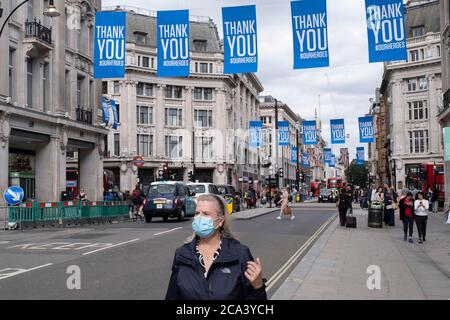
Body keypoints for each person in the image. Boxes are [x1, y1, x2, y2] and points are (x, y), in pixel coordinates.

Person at [165, 194, 267, 300]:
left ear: (220, 221)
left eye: (205, 214)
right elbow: (172, 296)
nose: (199, 218)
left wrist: (258, 287)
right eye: (197, 213)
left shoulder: (240, 254)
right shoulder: (182, 254)